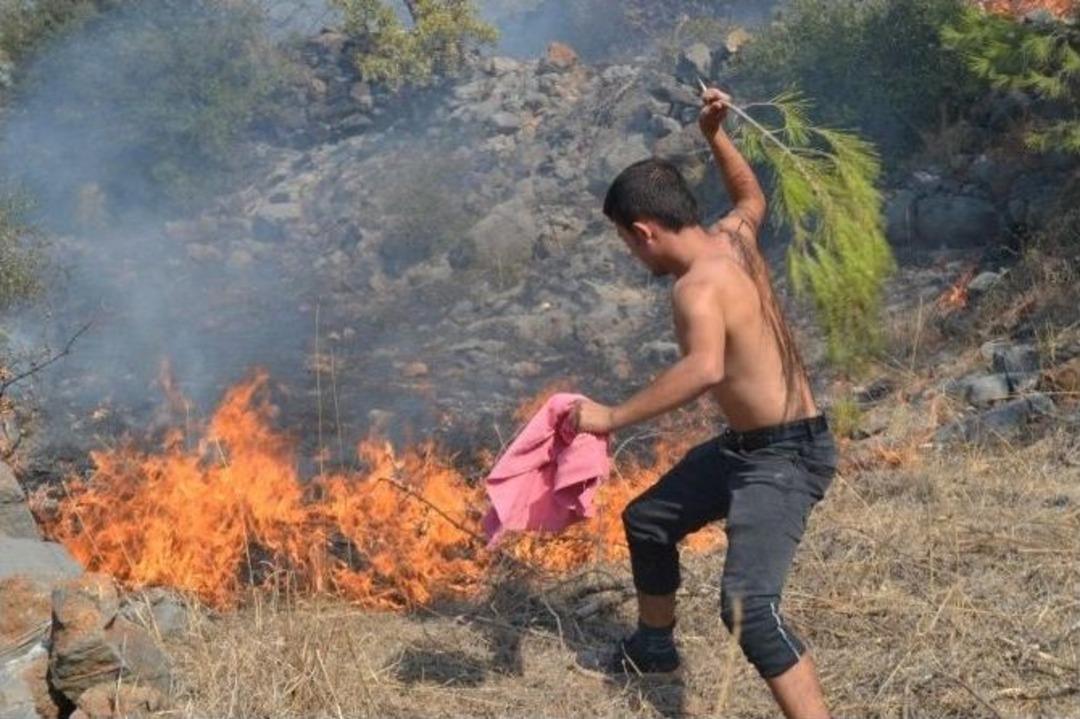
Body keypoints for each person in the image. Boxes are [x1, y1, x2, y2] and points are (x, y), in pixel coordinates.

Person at [571, 86, 838, 719]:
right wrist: (717, 135)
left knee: (749, 608)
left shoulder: (695, 289)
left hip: (786, 457)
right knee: (649, 521)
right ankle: (655, 649)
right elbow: (752, 196)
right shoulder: (733, 237)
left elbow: (703, 368)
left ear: (645, 231)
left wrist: (609, 417)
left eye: (627, 242)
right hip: (750, 446)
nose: (632, 255)